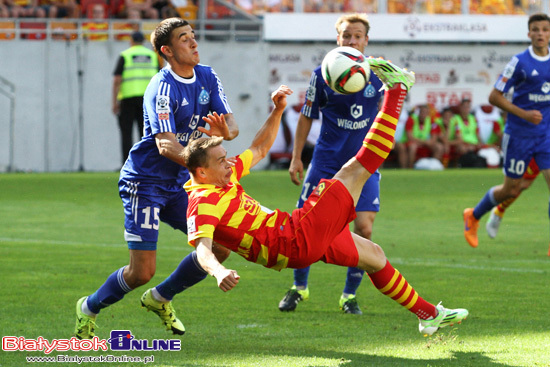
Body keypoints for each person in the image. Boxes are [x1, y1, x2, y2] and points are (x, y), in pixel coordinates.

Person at [184, 66, 468, 337]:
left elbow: (258, 149)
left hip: (293, 234)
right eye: (221, 161)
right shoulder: (203, 201)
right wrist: (219, 271)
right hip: (293, 239)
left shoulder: (222, 175)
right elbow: (203, 250)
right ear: (201, 172)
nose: (228, 164)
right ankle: (396, 91)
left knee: (375, 256)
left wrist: (278, 110)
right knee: (355, 169)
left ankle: (429, 315)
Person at [74, 17, 239, 339]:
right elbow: (166, 145)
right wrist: (203, 164)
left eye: (193, 36)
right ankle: (89, 307)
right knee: (141, 272)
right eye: (184, 39)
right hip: (145, 182)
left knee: (220, 247)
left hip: (179, 183)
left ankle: (160, 298)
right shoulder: (161, 88)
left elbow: (231, 126)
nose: (193, 43)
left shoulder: (208, 76)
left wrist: (226, 133)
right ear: (167, 50)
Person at [279, 13, 384, 315]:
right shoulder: (322, 73)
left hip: (363, 164)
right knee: (305, 225)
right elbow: (306, 115)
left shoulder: (378, 75)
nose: (352, 41)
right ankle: (299, 288)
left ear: (366, 40)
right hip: (325, 163)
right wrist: (297, 157)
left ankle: (349, 296)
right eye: (346, 36)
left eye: (358, 36)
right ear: (338, 39)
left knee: (364, 228)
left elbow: (386, 113)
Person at [463, 13, 550, 249]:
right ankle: (474, 215)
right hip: (520, 135)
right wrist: (524, 114)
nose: (540, 33)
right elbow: (494, 97)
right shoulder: (519, 62)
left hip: (545, 135)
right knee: (512, 188)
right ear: (528, 34)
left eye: (545, 29)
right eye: (536, 29)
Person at [112, 31, 160, 165]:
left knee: (126, 133)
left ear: (131, 41)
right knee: (145, 134)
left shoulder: (125, 55)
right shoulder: (152, 55)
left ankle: (127, 165)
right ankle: (145, 165)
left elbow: (117, 80)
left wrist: (114, 101)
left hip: (128, 98)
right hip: (148, 100)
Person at [395, 104, 444, 169]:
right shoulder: (411, 119)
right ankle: (410, 167)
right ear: (418, 112)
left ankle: (433, 166)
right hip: (410, 142)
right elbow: (410, 137)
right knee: (413, 147)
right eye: (422, 112)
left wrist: (425, 143)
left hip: (425, 143)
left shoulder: (432, 121)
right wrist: (424, 142)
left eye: (426, 112)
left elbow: (434, 138)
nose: (423, 114)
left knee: (439, 147)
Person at [447, 98, 483, 166]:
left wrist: (480, 143)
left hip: (473, 144)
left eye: (468, 107)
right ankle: (460, 165)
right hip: (461, 144)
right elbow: (457, 137)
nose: (466, 109)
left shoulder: (473, 119)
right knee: (463, 148)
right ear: (460, 107)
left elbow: (477, 134)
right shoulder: (455, 119)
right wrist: (467, 145)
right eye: (464, 107)